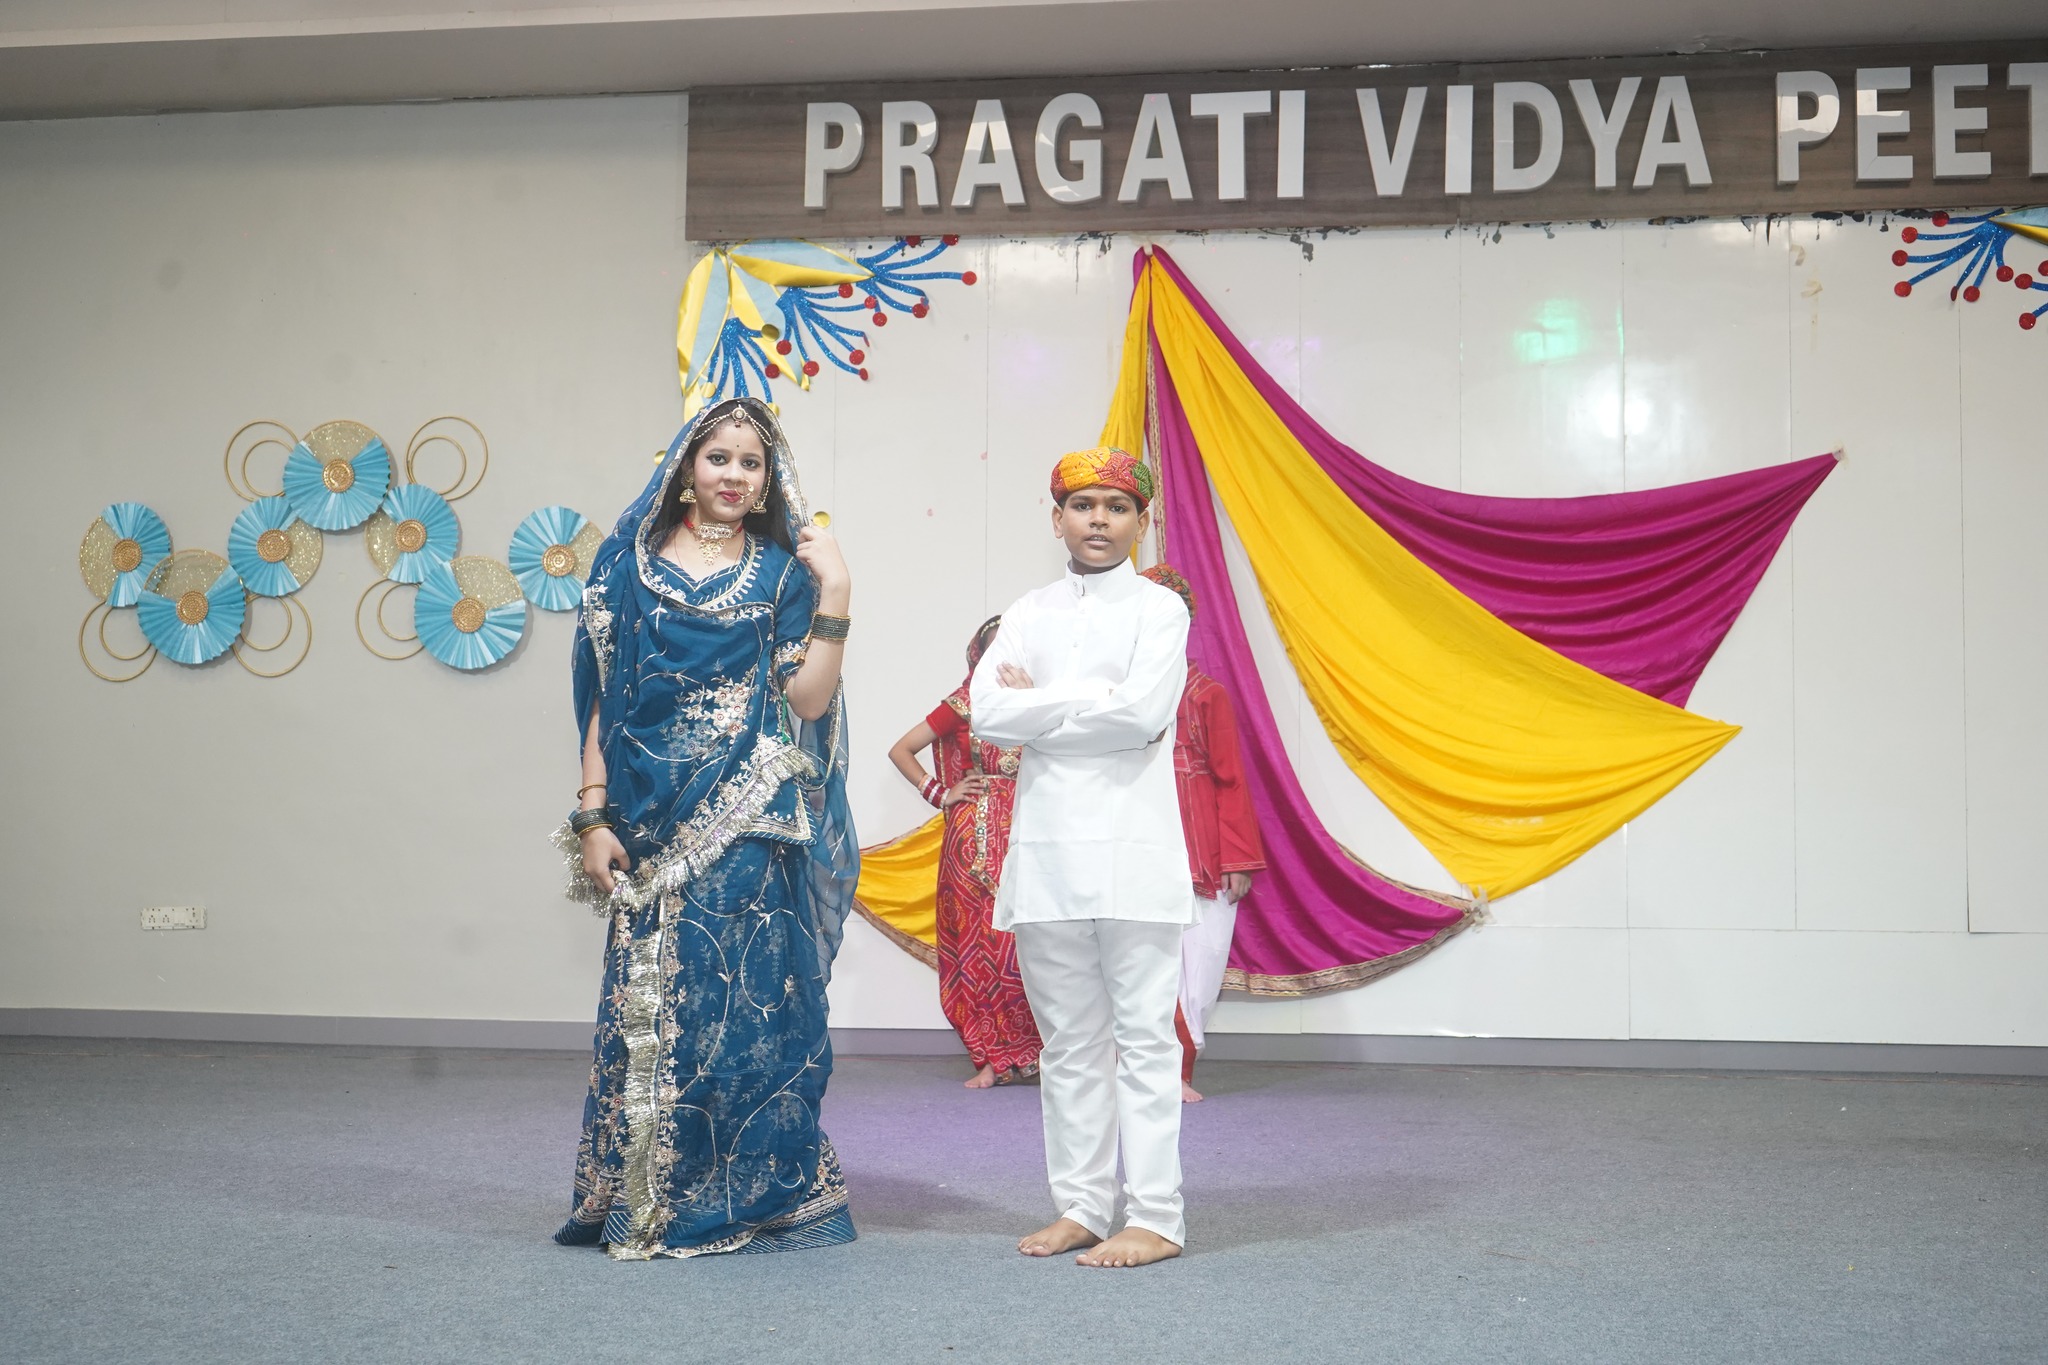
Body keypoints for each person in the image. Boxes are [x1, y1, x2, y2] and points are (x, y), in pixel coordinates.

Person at [550, 394, 860, 1261]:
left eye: (751, 463)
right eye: (718, 457)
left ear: (769, 481)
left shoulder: (782, 574)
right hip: (644, 826)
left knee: (746, 1010)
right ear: (687, 466)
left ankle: (743, 1199)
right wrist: (591, 812)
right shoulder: (624, 569)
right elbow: (604, 702)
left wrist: (836, 590)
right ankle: (639, 1196)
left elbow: (806, 700)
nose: (734, 474)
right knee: (643, 1012)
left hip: (749, 816)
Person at [971, 447, 1194, 1270]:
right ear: (1056, 516)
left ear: (1141, 520)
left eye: (1117, 506)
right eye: (1083, 504)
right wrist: (1076, 700)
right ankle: (1083, 1204)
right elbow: (987, 714)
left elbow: (1140, 716)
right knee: (1066, 1042)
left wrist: (1039, 705)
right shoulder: (1025, 610)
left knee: (1143, 1037)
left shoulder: (1160, 611)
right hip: (1048, 854)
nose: (1099, 519)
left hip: (1134, 850)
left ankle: (1158, 1215)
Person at [886, 618, 1043, 1089]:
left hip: (1032, 834)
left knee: (1031, 947)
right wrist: (940, 792)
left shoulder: (1040, 701)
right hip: (972, 841)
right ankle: (989, 1058)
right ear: (977, 655)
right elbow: (902, 749)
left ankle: (1041, 1053)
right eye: (993, 650)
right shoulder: (963, 702)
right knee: (979, 947)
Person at [1138, 565, 1266, 1105]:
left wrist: (1237, 857)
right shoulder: (1120, 693)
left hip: (1203, 851)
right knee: (1140, 962)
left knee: (1202, 960)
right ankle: (1145, 1069)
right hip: (1137, 843)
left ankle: (1179, 1067)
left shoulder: (1207, 694)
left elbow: (1231, 779)